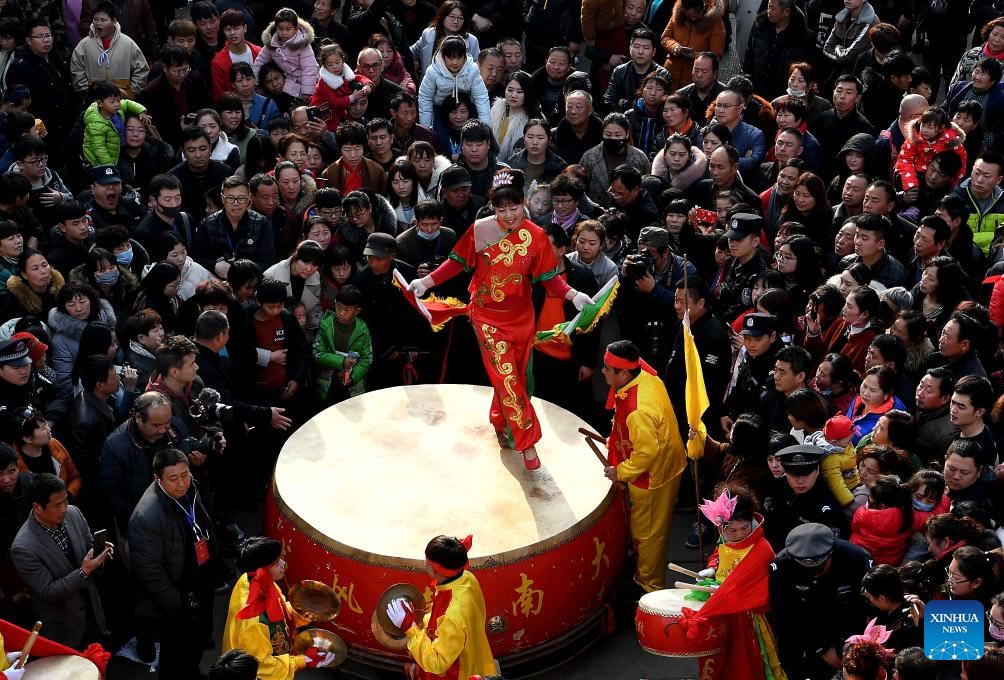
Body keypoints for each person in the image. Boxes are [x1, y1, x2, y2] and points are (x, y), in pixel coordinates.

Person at [408, 170, 593, 469]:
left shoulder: (536, 236)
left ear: (524, 204)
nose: (508, 215)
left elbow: (549, 278)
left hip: (522, 320)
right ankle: (527, 443)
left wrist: (574, 295)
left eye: (514, 207)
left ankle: (499, 419)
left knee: (520, 381)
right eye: (500, 209)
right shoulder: (480, 230)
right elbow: (456, 262)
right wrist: (426, 282)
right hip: (486, 318)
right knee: (507, 377)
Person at [600, 340, 685, 592]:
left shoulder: (638, 410)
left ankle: (649, 588)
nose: (603, 372)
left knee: (648, 535)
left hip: (653, 476)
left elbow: (647, 453)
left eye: (607, 368)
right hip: (665, 461)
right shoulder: (646, 377)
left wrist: (621, 471)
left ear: (624, 372)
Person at [129, 448, 220, 678]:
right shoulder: (146, 516)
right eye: (173, 478)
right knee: (178, 652)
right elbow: (149, 572)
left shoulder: (191, 489)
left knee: (198, 639)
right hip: (178, 594)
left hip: (201, 582)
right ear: (157, 479)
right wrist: (176, 605)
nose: (182, 483)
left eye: (185, 475)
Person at [687, 490, 786, 680]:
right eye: (732, 530)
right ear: (721, 528)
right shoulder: (723, 539)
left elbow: (762, 585)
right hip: (723, 610)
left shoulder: (762, 548)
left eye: (745, 528)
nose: (739, 534)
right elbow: (719, 554)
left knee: (754, 660)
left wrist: (726, 590)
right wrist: (712, 569)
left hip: (750, 616)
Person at [10, 473, 109, 649]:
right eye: (57, 505)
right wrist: (83, 572)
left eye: (65, 501)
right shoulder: (23, 547)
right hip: (63, 630)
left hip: (93, 615)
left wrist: (99, 554)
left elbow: (88, 548)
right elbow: (48, 592)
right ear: (37, 507)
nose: (64, 508)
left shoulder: (74, 513)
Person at [769, 522, 871, 680]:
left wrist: (855, 646)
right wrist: (820, 647)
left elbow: (868, 607)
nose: (815, 575)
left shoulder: (856, 559)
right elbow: (785, 617)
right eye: (808, 571)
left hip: (849, 634)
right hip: (804, 636)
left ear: (830, 554)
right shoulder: (781, 567)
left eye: (820, 568)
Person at [384, 534, 495, 680]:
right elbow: (442, 622)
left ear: (433, 568)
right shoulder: (466, 577)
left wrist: (409, 627)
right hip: (471, 654)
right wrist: (419, 617)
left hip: (456, 672)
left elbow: (438, 663)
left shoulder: (452, 613)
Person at [222, 536, 335, 677]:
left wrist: (305, 608)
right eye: (276, 563)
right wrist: (302, 661)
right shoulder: (253, 623)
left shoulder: (252, 580)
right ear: (262, 572)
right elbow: (263, 667)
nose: (283, 564)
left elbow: (278, 612)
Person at [253, 8, 318, 101]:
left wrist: (307, 93)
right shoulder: (272, 44)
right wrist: (254, 83)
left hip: (310, 84)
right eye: (280, 29)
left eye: (288, 29)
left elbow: (309, 70)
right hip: (290, 84)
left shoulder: (303, 45)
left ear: (296, 29)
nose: (284, 33)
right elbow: (260, 61)